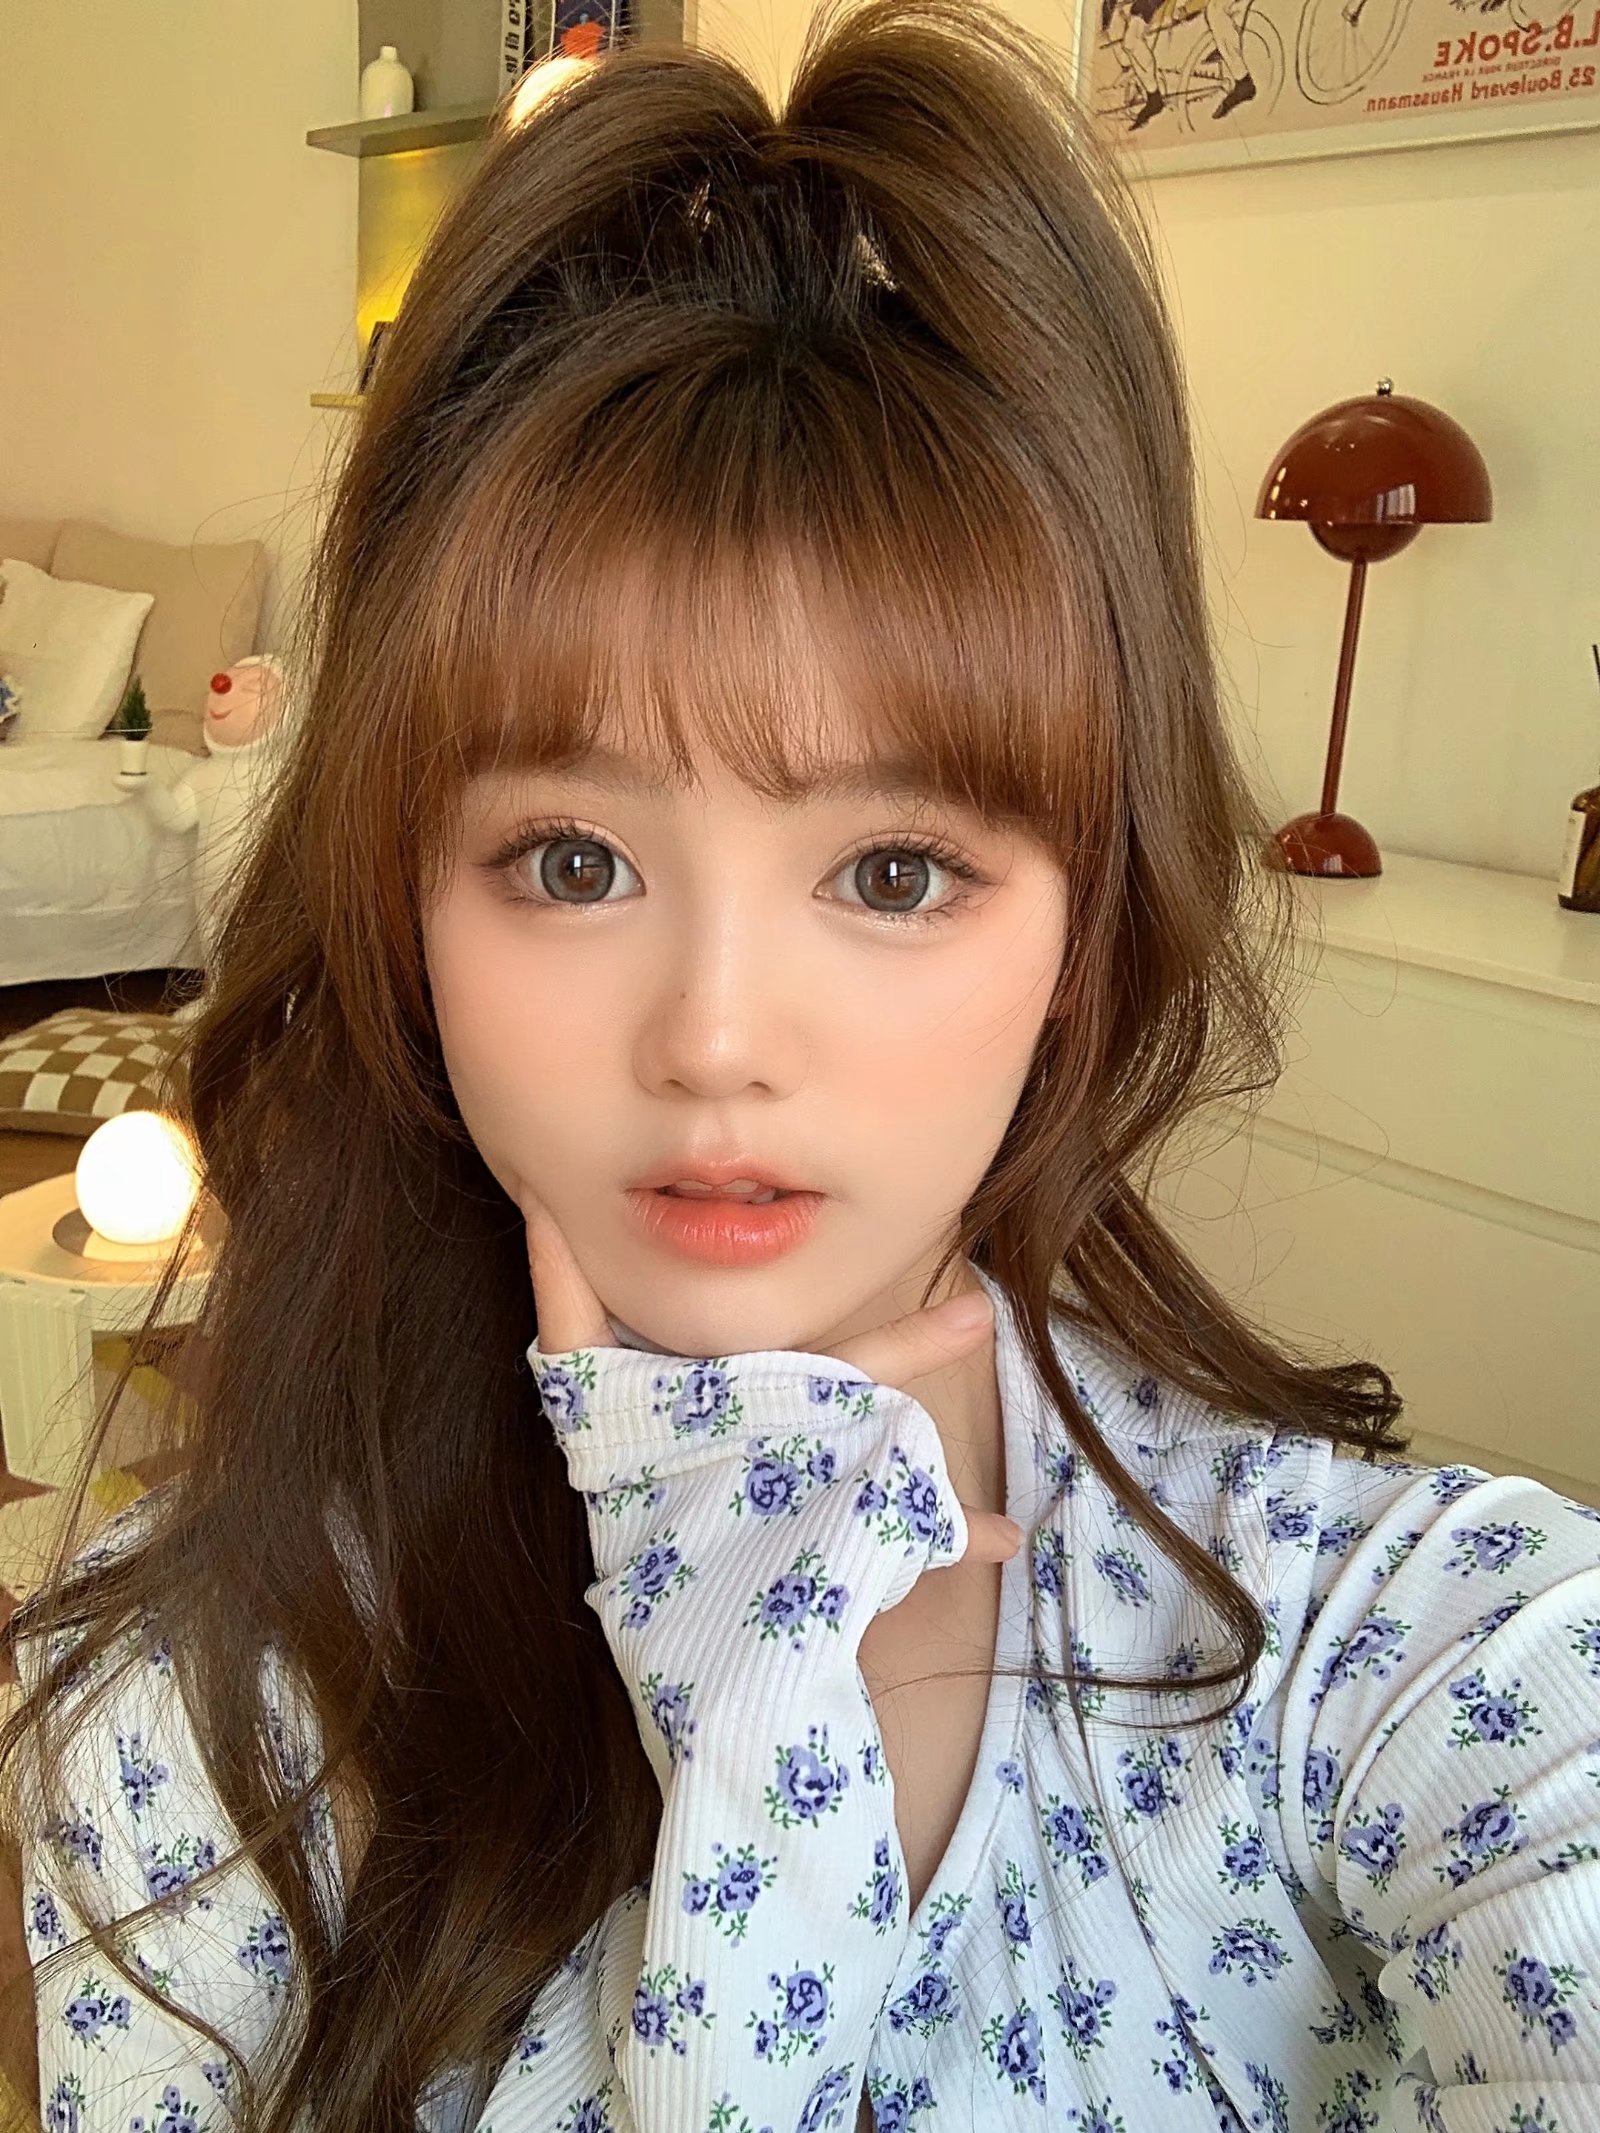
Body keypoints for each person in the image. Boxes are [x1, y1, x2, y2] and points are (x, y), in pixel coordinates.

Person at [2, 3, 1596, 2130]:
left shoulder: (1407, 1660)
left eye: (895, 870)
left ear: (1080, 933)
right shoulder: (190, 1726)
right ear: (403, 904)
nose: (717, 1037)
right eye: (570, 861)